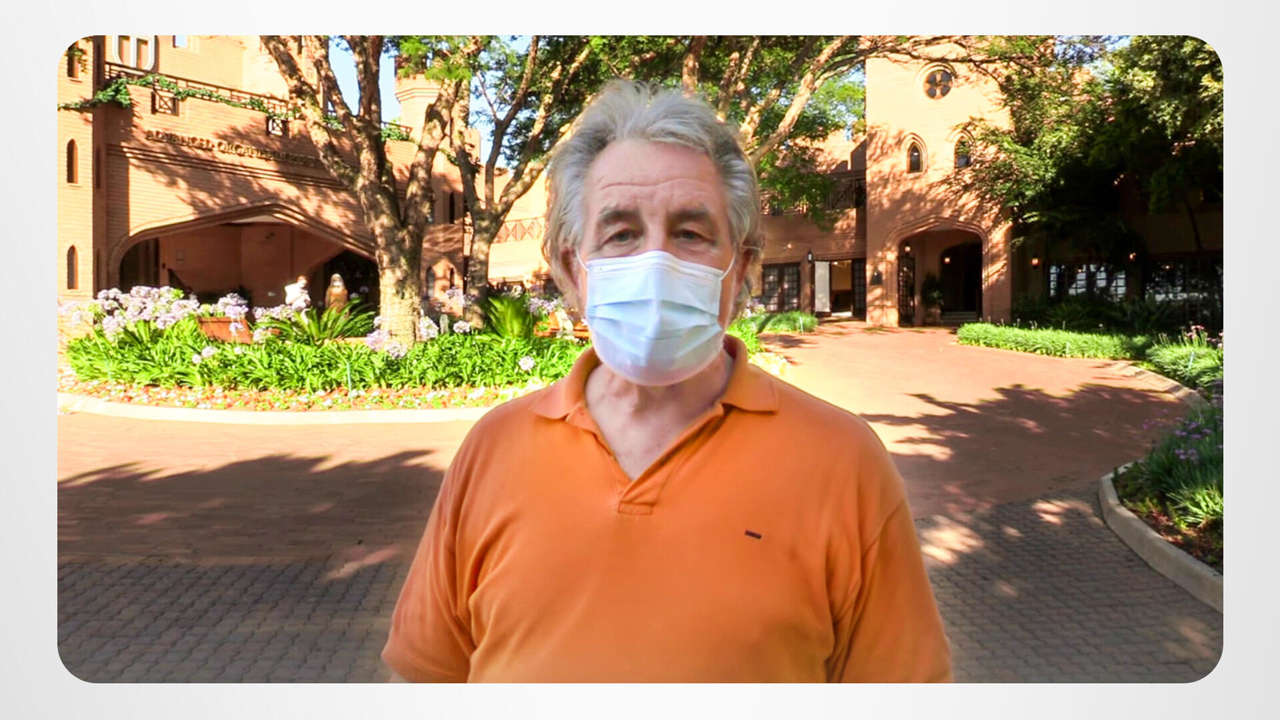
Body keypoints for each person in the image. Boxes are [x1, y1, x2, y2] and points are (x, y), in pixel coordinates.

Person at [382, 80, 952, 683]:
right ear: (573, 267)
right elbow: (425, 678)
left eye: (690, 233)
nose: (656, 262)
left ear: (741, 265)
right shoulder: (492, 450)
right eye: (621, 233)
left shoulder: (843, 463)